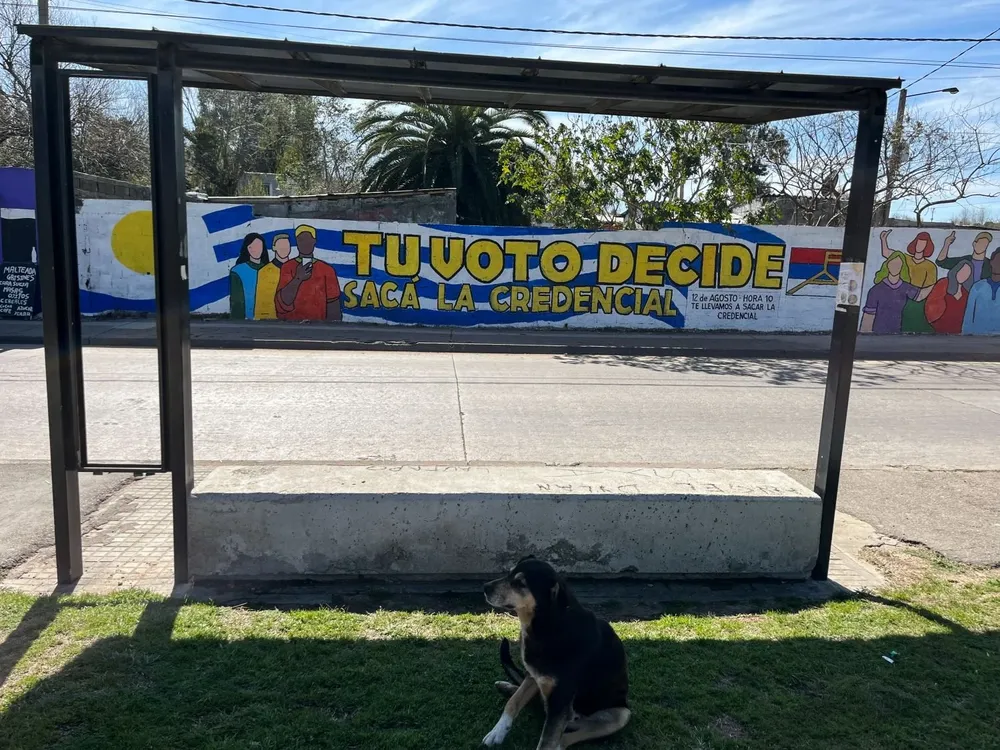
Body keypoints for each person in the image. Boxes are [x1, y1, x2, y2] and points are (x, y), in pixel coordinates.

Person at [275, 225, 343, 321]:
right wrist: (298, 278)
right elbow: (282, 304)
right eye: (301, 240)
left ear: (314, 241)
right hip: (292, 327)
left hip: (319, 327)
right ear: (297, 242)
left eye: (308, 239)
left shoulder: (327, 270)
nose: (305, 243)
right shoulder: (288, 267)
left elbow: (333, 305)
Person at [878, 229, 939, 333]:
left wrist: (919, 297)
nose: (919, 246)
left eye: (923, 244)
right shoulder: (905, 258)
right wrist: (883, 239)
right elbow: (887, 253)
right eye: (918, 243)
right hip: (900, 294)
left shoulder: (930, 266)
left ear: (927, 247)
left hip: (916, 299)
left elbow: (930, 286)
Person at [860, 253, 932, 334]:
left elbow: (919, 295)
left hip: (898, 334)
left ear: (902, 267)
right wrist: (865, 336)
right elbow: (868, 316)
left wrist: (935, 285)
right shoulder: (875, 290)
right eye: (893, 264)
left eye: (898, 265)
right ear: (887, 265)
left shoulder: (905, 287)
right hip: (879, 334)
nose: (895, 267)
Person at [924, 258, 975, 334]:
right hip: (940, 328)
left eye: (967, 273)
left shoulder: (967, 292)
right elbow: (931, 304)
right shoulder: (944, 283)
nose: (963, 275)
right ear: (956, 270)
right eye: (962, 271)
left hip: (960, 330)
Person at [229, 233, 269, 320]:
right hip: (245, 320)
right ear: (248, 248)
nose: (256, 249)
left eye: (259, 246)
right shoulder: (237, 271)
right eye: (252, 246)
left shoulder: (269, 269)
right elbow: (237, 301)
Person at [254, 233, 292, 320]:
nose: (284, 248)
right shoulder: (264, 271)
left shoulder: (296, 269)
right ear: (274, 248)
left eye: (286, 245)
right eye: (281, 245)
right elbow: (262, 299)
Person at [962, 249, 1000, 334]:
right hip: (978, 337)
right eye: (997, 261)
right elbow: (969, 314)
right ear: (991, 262)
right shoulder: (978, 286)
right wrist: (965, 335)